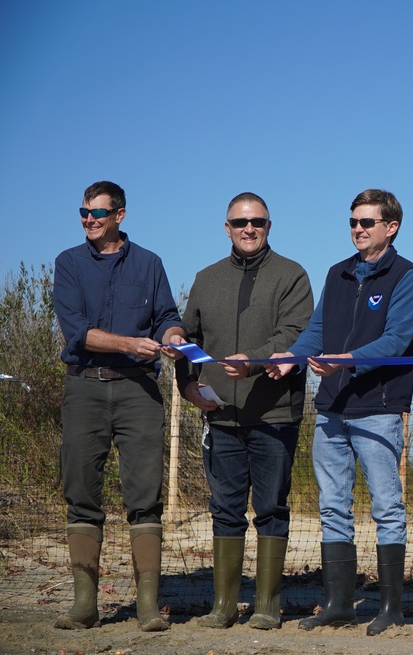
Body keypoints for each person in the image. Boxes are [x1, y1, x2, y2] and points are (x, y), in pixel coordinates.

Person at [266, 188, 413, 636]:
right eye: (353, 222)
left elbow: (396, 341)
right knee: (332, 506)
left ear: (390, 227)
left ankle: (391, 607)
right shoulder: (337, 273)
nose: (358, 229)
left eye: (367, 222)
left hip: (378, 408)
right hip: (331, 408)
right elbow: (316, 331)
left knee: (386, 507)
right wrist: (291, 358)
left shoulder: (408, 276)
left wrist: (345, 359)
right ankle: (339, 603)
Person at [175, 192, 313, 630]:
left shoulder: (292, 276)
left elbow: (296, 333)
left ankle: (268, 604)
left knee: (271, 507)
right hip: (221, 417)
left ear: (269, 226)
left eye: (257, 222)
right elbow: (186, 339)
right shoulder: (205, 279)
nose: (248, 229)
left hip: (275, 416)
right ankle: (223, 604)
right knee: (225, 509)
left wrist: (252, 360)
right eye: (239, 222)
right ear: (227, 228)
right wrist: (186, 385)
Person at [52, 180, 186, 632]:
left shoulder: (150, 264)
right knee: (81, 493)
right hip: (84, 388)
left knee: (145, 496)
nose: (89, 220)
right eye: (84, 213)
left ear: (120, 216)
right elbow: (78, 330)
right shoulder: (68, 264)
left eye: (98, 213)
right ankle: (84, 605)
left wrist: (173, 338)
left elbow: (167, 316)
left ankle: (148, 606)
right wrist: (130, 343)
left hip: (138, 391)